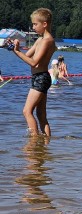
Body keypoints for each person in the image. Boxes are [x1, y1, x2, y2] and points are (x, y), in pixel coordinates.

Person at [11, 8, 56, 136]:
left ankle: (34, 142)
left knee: (26, 111)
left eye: (35, 24)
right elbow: (27, 56)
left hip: (41, 78)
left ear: (45, 24)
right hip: (38, 77)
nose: (33, 27)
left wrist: (18, 52)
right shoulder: (40, 40)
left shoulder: (48, 41)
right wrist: (15, 48)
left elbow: (33, 62)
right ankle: (45, 144)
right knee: (41, 115)